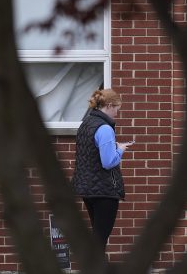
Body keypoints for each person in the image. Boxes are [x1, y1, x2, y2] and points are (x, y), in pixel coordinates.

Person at [72, 88, 132, 252]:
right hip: (104, 191)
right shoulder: (105, 128)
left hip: (87, 189)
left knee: (97, 236)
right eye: (117, 109)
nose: (117, 114)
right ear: (110, 105)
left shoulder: (85, 124)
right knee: (100, 239)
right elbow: (108, 162)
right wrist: (120, 149)